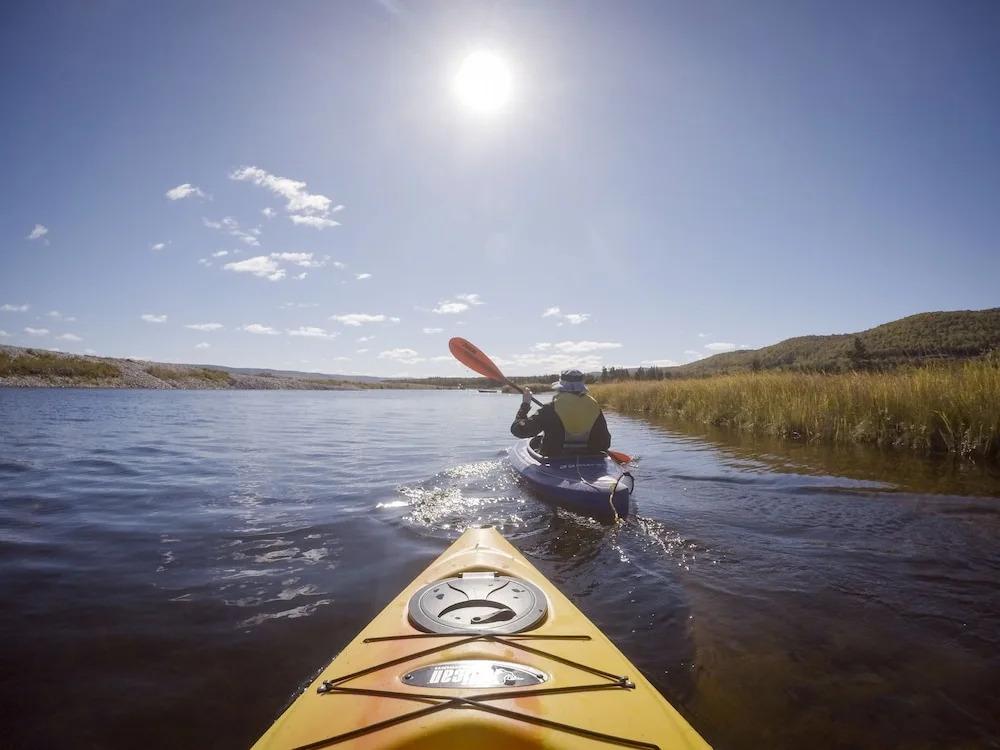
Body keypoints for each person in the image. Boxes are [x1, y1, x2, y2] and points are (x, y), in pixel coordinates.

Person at [510, 369, 611, 456]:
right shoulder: (594, 407)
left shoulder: (549, 409)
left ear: (560, 388)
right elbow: (606, 443)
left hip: (555, 461)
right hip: (590, 461)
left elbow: (519, 430)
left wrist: (525, 405)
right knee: (537, 440)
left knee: (536, 442)